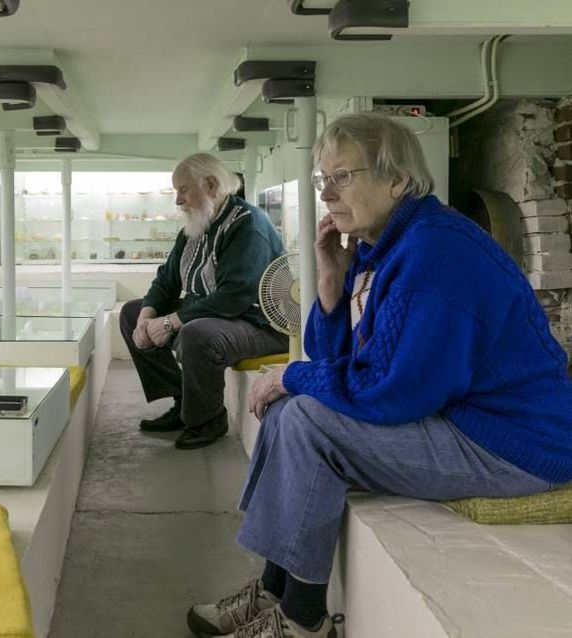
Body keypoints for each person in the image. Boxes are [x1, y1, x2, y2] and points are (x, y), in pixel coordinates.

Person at [186, 113, 572, 637]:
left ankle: (301, 622)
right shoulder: (383, 247)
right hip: (461, 419)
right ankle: (275, 590)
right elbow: (340, 364)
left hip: (513, 444)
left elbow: (394, 391)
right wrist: (330, 283)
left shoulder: (435, 251)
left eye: (342, 176)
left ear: (398, 179)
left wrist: (293, 378)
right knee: (289, 409)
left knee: (305, 419)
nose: (326, 194)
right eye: (324, 180)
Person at [119, 153, 287, 450]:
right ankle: (184, 402)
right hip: (215, 315)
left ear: (210, 185)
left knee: (196, 334)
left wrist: (170, 321)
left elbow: (235, 296)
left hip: (257, 324)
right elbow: (167, 279)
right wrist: (147, 316)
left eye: (183, 190)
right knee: (132, 313)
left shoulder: (248, 224)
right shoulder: (197, 225)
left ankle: (207, 419)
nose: (178, 200)